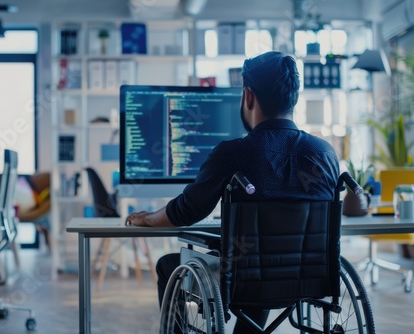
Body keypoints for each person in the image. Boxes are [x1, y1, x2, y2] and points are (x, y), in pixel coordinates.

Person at [125, 51, 340, 333]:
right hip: (309, 278)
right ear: (293, 97)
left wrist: (149, 218)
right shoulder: (324, 153)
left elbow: (188, 210)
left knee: (170, 264)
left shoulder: (233, 153)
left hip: (245, 279)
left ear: (248, 96)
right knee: (255, 259)